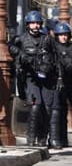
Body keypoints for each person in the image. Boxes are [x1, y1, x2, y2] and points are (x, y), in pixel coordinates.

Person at [9, 11, 60, 147]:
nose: (36, 26)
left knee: (47, 109)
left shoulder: (47, 39)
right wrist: (21, 55)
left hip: (46, 77)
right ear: (28, 25)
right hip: (30, 78)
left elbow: (56, 56)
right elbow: (11, 47)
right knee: (35, 106)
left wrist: (57, 76)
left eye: (38, 23)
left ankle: (43, 137)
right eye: (33, 23)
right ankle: (31, 137)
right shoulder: (21, 39)